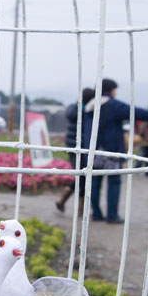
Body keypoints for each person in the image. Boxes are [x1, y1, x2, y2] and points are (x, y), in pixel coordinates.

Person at [83, 78, 148, 224]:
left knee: (94, 183)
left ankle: (96, 213)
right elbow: (137, 112)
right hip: (110, 151)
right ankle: (112, 215)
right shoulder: (112, 105)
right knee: (114, 182)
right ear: (111, 90)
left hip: (93, 151)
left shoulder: (89, 106)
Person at [56, 87, 95, 215]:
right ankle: (79, 209)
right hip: (82, 147)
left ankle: (63, 200)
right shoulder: (87, 111)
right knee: (83, 177)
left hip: (72, 147)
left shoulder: (73, 108)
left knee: (80, 176)